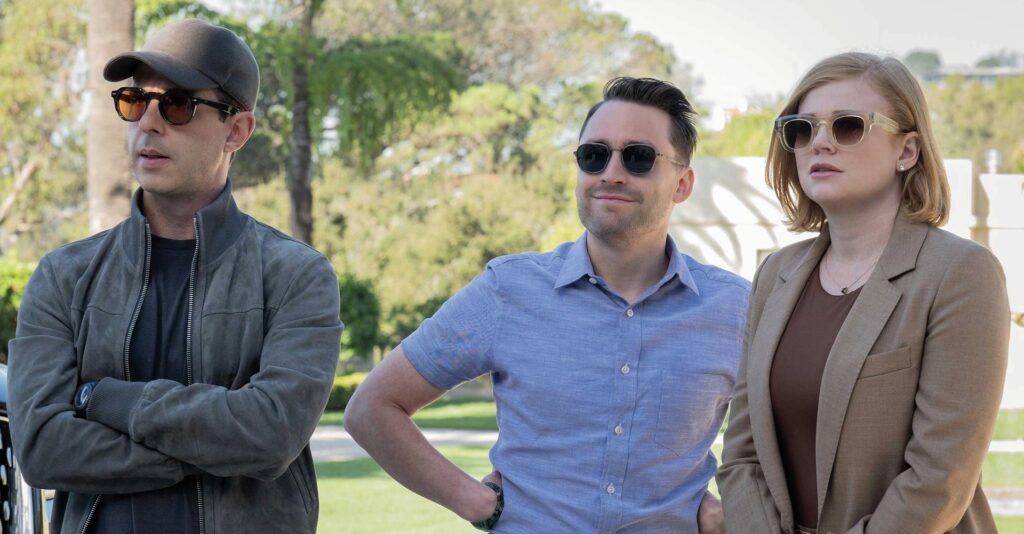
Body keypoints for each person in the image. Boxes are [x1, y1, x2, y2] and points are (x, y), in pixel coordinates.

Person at [344, 77, 749, 533]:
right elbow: (372, 407)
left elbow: (790, 439)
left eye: (638, 157)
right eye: (594, 155)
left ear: (682, 183)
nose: (611, 173)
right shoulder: (508, 290)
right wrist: (474, 501)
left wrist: (737, 507)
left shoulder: (737, 309)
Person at [8, 19, 343, 534]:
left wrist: (104, 400)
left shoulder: (295, 276)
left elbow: (271, 435)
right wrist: (214, 450)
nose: (148, 123)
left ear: (237, 130)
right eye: (134, 101)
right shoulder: (64, 277)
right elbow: (41, 448)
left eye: (178, 104)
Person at [716, 52, 1010, 534]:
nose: (820, 142)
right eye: (802, 129)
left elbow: (939, 480)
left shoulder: (960, 274)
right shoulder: (775, 275)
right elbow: (742, 456)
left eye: (848, 125)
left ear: (907, 151)